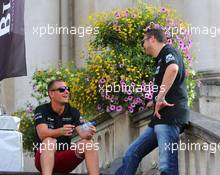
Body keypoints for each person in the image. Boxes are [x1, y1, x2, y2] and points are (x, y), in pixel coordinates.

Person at [115, 27, 190, 175]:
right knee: (131, 154)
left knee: (167, 167)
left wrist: (160, 97)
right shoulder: (161, 58)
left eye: (143, 41)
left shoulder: (169, 52)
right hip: (159, 118)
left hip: (170, 117)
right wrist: (154, 100)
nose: (143, 45)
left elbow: (173, 68)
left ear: (152, 39)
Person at [33, 79, 99, 175]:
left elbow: (82, 133)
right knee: (49, 141)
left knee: (88, 143)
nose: (67, 91)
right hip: (43, 159)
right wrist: (60, 131)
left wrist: (89, 133)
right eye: (62, 89)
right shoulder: (42, 110)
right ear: (51, 94)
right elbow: (42, 134)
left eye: (68, 89)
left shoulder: (73, 111)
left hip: (63, 160)